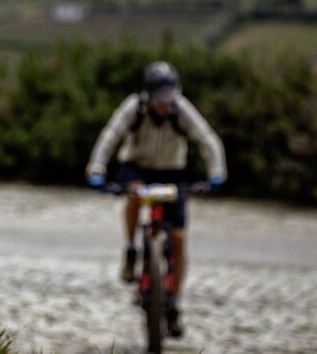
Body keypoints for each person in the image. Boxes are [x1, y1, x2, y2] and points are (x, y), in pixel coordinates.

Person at [85, 60, 227, 338]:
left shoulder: (182, 109)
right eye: (159, 100)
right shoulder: (133, 108)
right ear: (148, 95)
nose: (165, 105)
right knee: (134, 192)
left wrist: (217, 173)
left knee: (179, 238)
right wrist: (97, 169)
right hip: (136, 166)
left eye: (168, 99)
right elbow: (110, 137)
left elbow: (208, 140)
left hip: (172, 171)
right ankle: (131, 249)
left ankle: (175, 302)